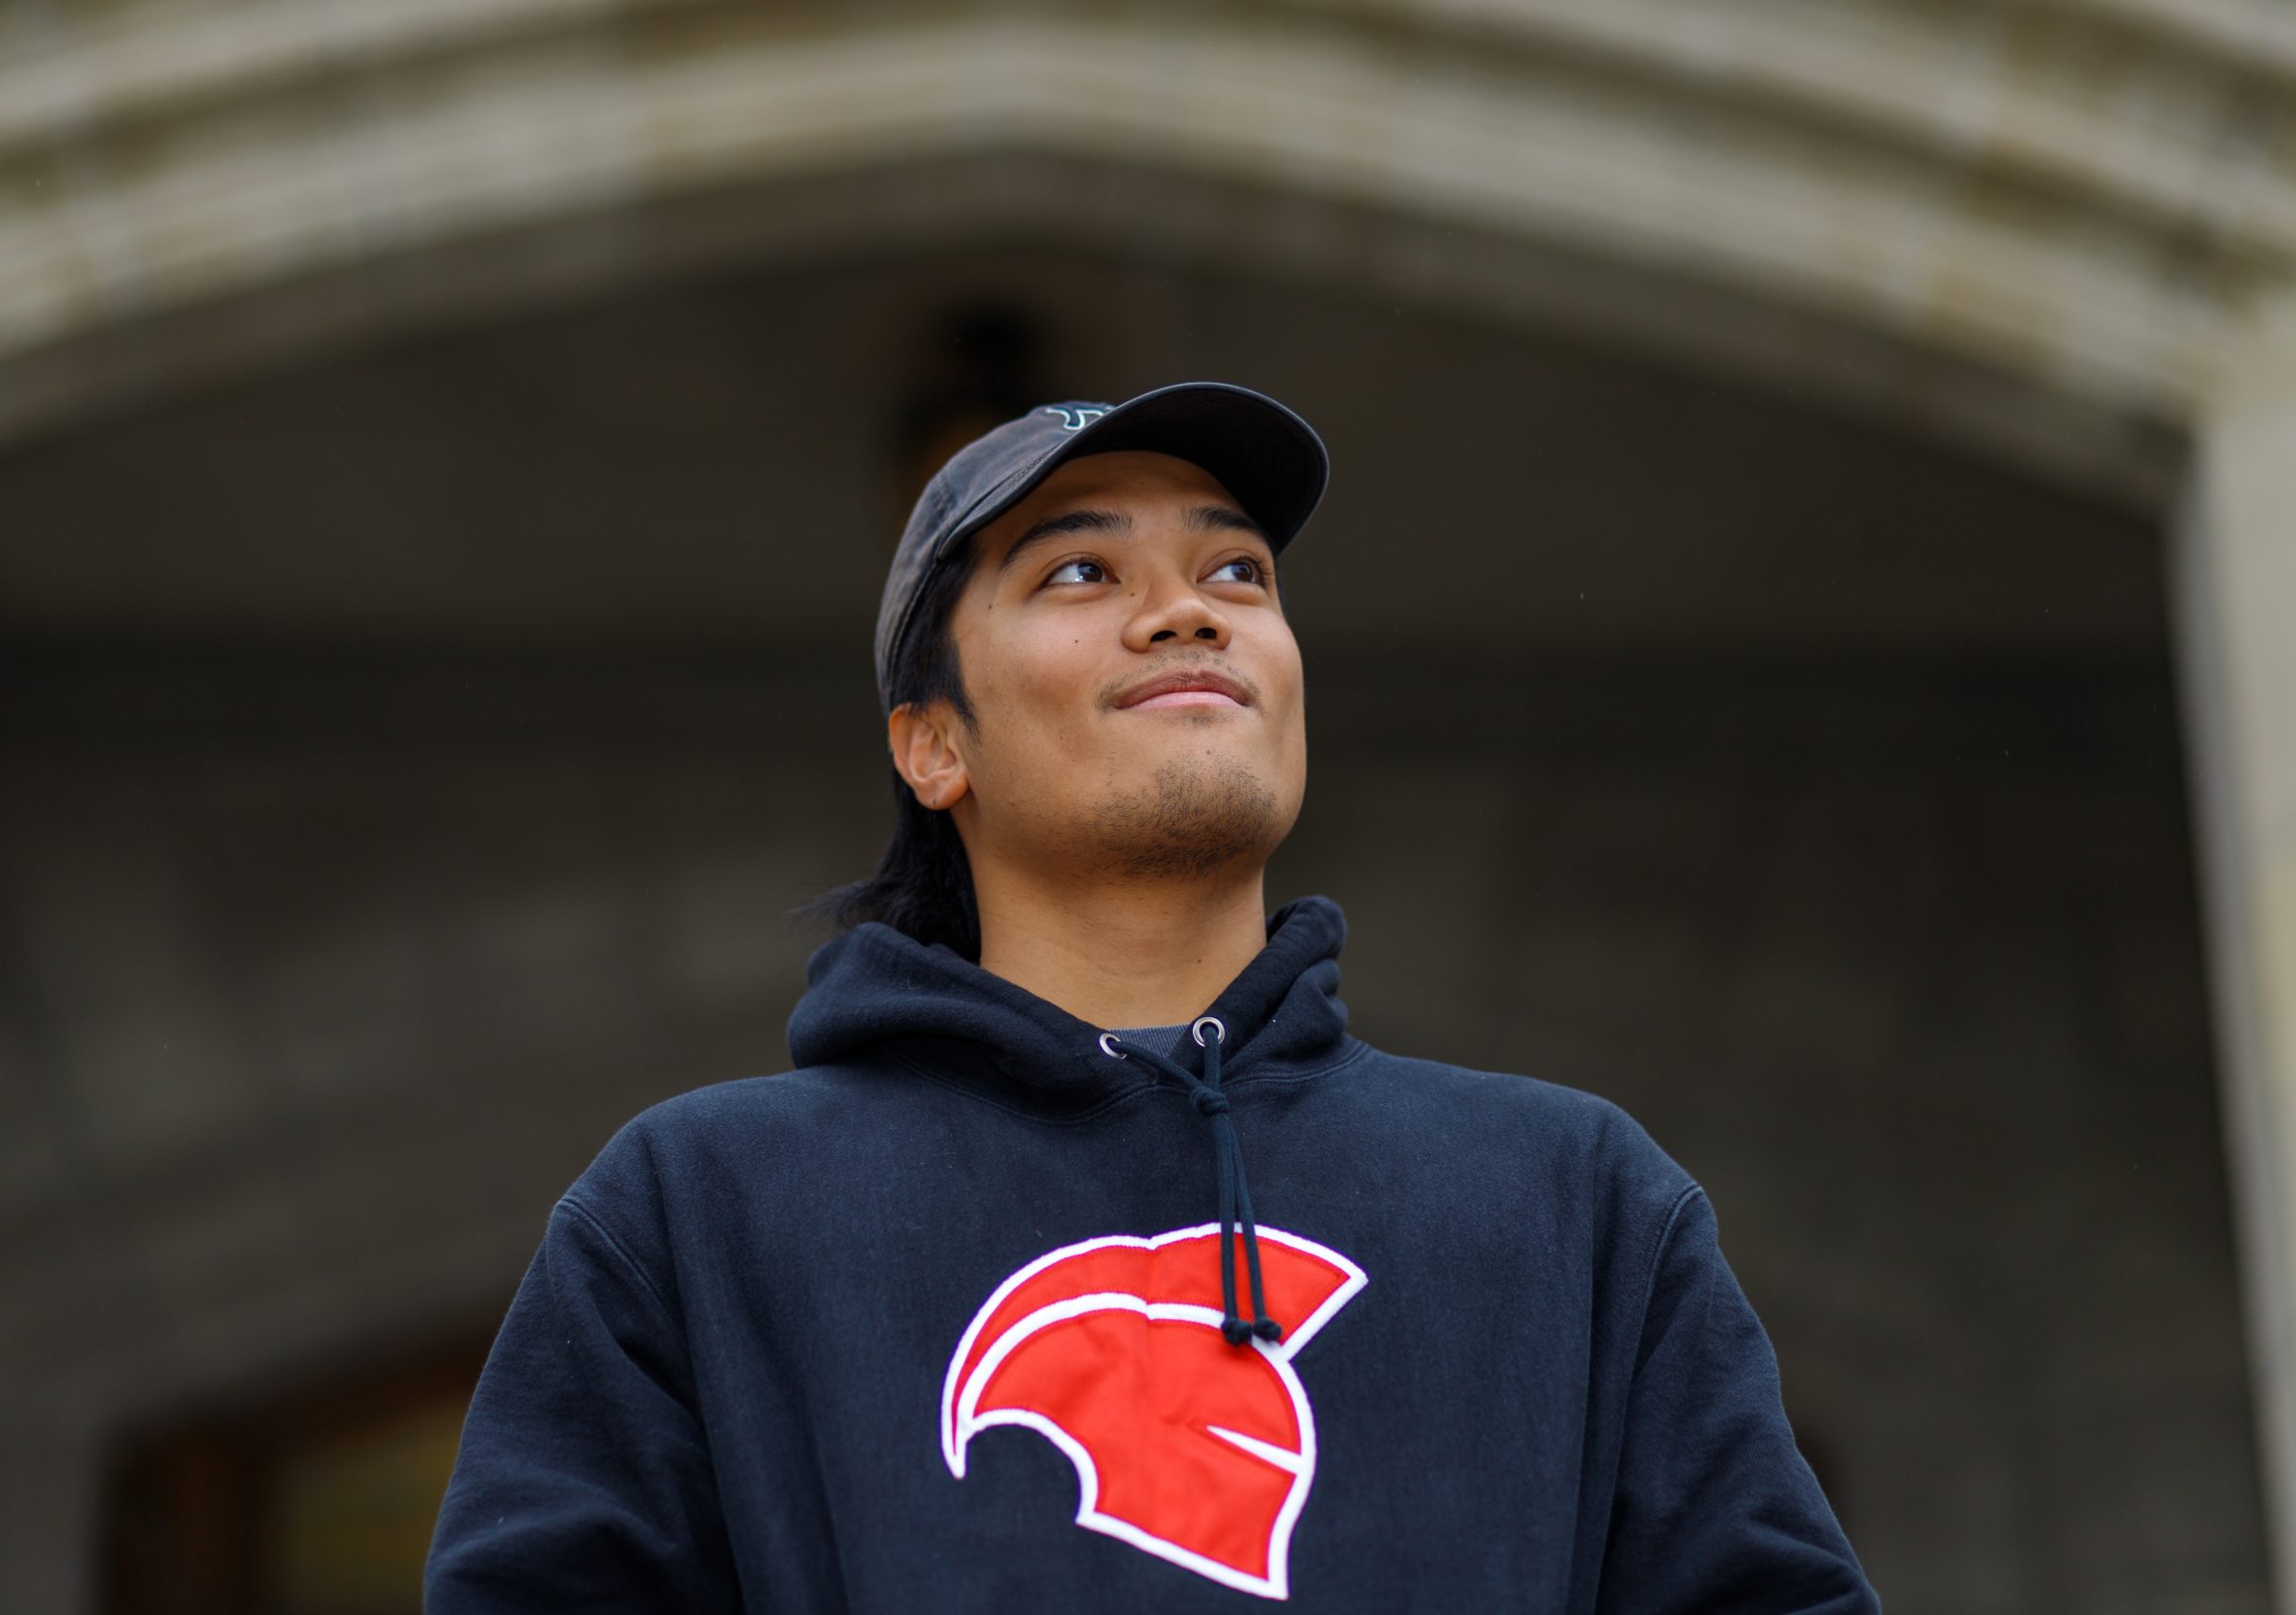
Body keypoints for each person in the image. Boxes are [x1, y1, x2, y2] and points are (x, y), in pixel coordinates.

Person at [424, 382, 1881, 1611]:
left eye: (1236, 572)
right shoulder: (696, 1212)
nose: (1189, 612)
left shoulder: (1578, 1201)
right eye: (1081, 573)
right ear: (934, 746)